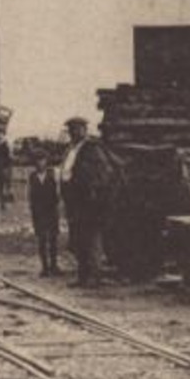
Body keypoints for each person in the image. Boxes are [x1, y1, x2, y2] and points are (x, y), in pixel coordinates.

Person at [59, 115, 113, 286]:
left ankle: (94, 277)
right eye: (72, 129)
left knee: (92, 239)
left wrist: (92, 193)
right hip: (74, 202)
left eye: (77, 128)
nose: (74, 132)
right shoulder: (71, 149)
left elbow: (101, 176)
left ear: (84, 130)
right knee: (78, 239)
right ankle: (82, 276)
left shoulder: (92, 149)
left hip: (89, 203)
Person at [28, 150, 62, 276]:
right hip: (39, 212)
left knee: (53, 240)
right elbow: (32, 196)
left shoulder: (52, 174)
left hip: (51, 211)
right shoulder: (33, 177)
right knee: (42, 240)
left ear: (46, 161)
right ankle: (45, 267)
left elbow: (57, 193)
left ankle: (54, 265)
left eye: (42, 160)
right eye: (37, 160)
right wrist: (34, 210)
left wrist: (56, 206)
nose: (40, 163)